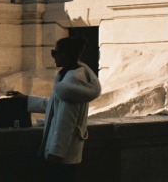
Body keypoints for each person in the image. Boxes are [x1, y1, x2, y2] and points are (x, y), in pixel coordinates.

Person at [7, 37, 101, 182]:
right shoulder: (74, 78)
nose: (53, 56)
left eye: (54, 52)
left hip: (61, 156)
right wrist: (27, 98)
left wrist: (56, 152)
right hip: (70, 153)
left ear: (64, 54)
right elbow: (54, 105)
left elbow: (66, 122)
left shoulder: (70, 83)